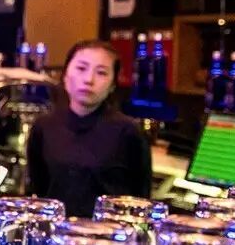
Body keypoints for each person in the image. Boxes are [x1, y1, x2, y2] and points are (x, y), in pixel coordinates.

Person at [26, 39, 153, 217]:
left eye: (101, 72)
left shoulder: (129, 131)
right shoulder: (44, 126)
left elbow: (141, 199)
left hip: (109, 232)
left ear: (113, 85)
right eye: (81, 68)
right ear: (65, 75)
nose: (88, 80)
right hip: (56, 230)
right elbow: (39, 190)